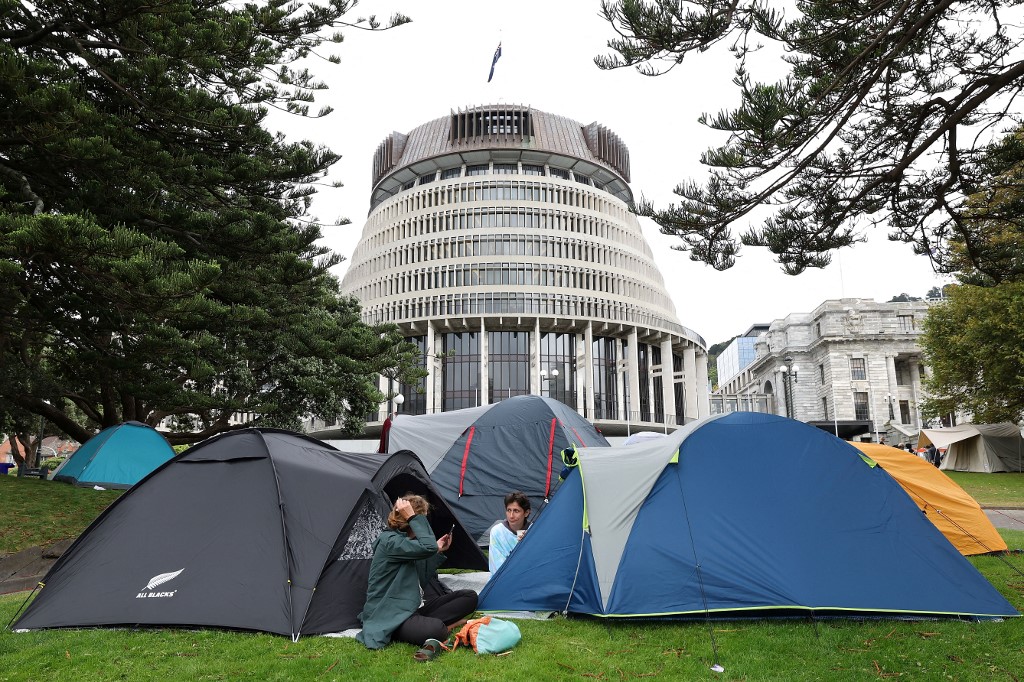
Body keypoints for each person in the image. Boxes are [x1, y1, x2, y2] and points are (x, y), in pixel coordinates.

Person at [357, 494, 478, 656]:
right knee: (437, 630)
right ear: (414, 519)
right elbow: (428, 546)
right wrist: (415, 518)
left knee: (470, 597)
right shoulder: (390, 541)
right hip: (390, 614)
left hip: (410, 607)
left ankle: (425, 625)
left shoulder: (408, 544)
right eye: (423, 518)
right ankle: (436, 627)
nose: (425, 522)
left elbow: (421, 578)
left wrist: (437, 550)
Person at [488, 491, 532, 573]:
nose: (511, 516)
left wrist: (529, 542)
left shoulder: (534, 530)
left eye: (516, 511)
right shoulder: (497, 531)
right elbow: (496, 567)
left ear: (526, 513)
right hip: (503, 580)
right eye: (509, 510)